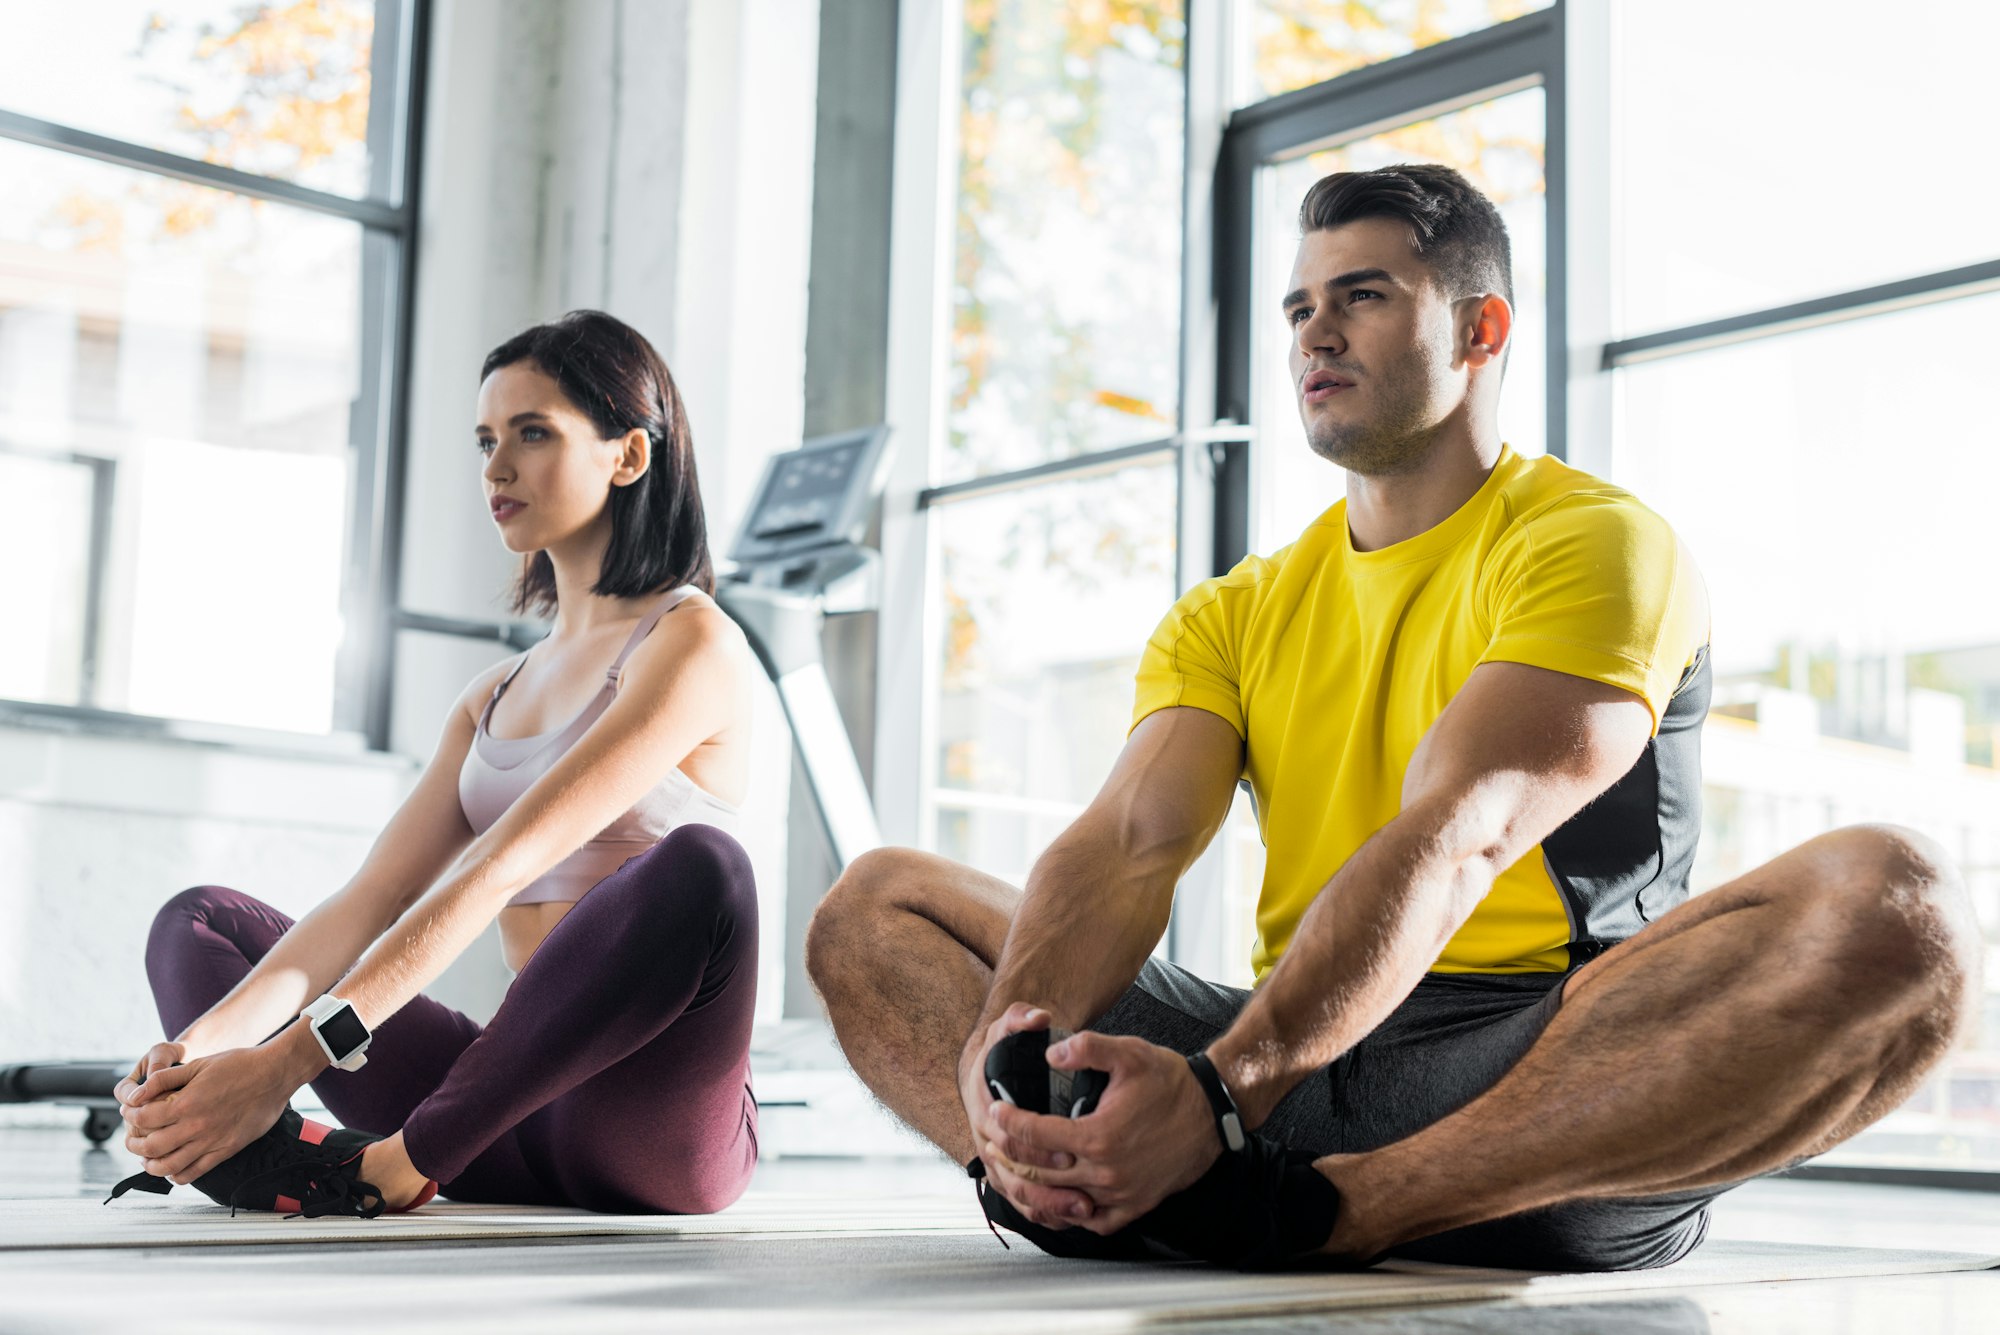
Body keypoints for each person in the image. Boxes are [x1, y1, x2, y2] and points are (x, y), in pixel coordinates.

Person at [805, 165, 1980, 1271]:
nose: (1313, 333)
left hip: (1530, 1079)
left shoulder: (1592, 543)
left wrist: (1221, 1094)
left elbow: (1456, 833)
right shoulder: (1237, 608)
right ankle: (1070, 1188)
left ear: (1480, 331)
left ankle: (1338, 1214)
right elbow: (1127, 844)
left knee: (1900, 908)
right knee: (877, 907)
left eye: (1360, 298)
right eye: (1299, 307)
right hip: (1291, 1061)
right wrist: (1005, 1056)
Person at [110, 310, 762, 1218]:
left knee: (705, 869)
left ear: (628, 455)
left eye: (534, 433)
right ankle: (281, 1143)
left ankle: (381, 1168)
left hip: (642, 1126)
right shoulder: (493, 694)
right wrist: (203, 1052)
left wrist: (291, 1061)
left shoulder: (691, 643)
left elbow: (504, 866)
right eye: (488, 439)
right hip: (497, 1115)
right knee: (200, 921)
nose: (497, 467)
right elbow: (370, 900)